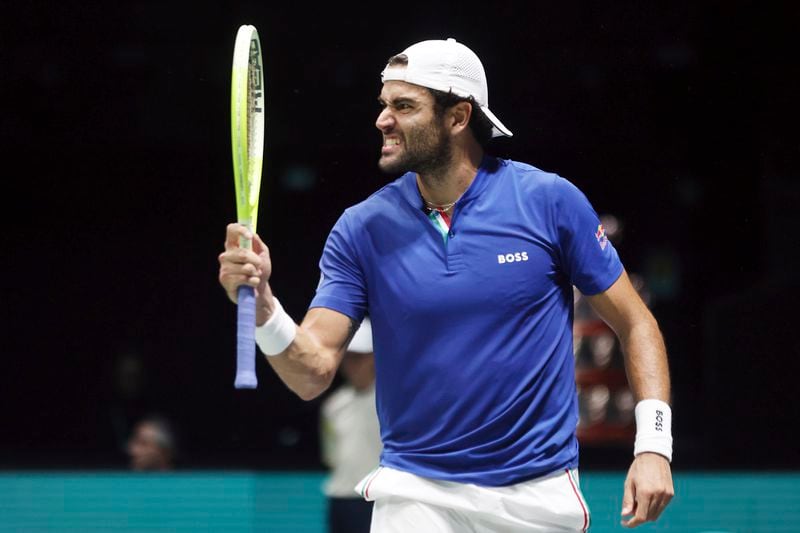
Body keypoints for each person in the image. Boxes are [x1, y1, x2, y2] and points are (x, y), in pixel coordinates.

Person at [218, 37, 674, 531]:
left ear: (458, 117)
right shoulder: (361, 229)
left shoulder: (548, 202)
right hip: (416, 493)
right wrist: (265, 309)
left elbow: (637, 324)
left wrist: (654, 446)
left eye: (403, 106)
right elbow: (311, 373)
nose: (382, 120)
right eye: (383, 104)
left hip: (538, 495)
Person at [320, 317, 382, 533]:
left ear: (374, 357)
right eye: (347, 357)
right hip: (342, 497)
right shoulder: (334, 405)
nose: (350, 364)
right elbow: (330, 455)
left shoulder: (394, 401)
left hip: (378, 498)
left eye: (358, 357)